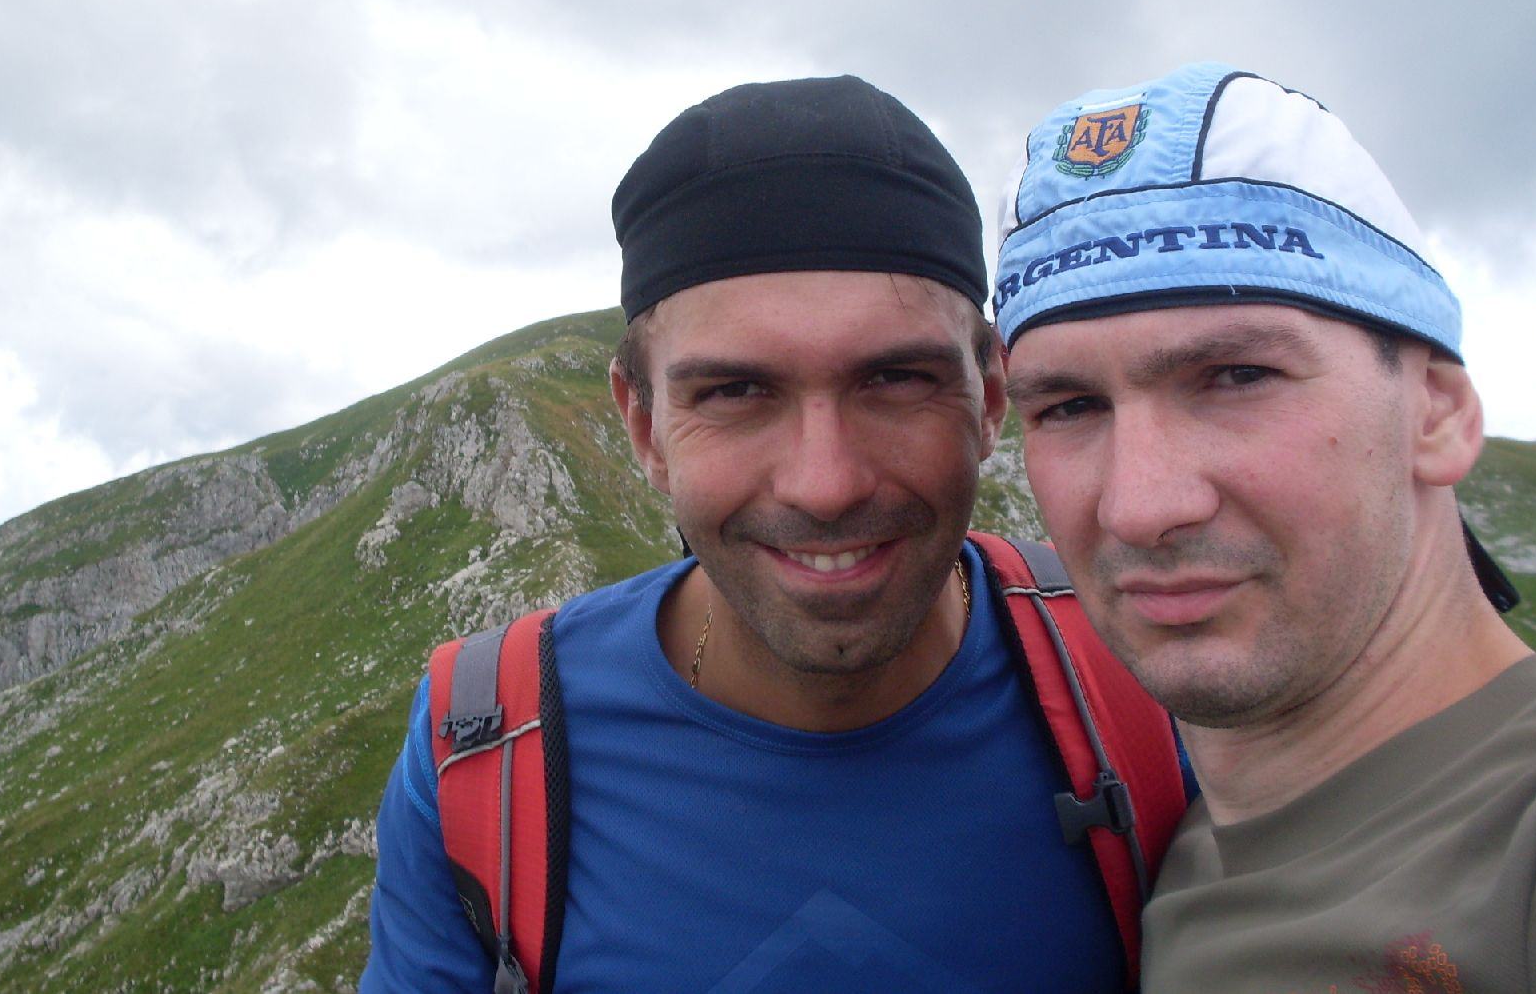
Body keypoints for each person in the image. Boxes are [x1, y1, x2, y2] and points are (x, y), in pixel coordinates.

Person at [360, 74, 1186, 992]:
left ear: (990, 395)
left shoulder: (1151, 667)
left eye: (896, 379)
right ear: (644, 426)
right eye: (736, 392)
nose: (825, 485)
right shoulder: (483, 748)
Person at [993, 60, 1536, 993]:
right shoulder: (1183, 854)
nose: (1140, 505)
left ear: (1438, 411)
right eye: (1069, 406)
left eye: (1238, 376)